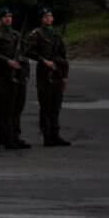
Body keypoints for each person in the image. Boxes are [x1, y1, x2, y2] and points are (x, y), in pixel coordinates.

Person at [24, 8, 70, 147]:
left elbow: (63, 56)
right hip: (44, 73)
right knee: (46, 106)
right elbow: (29, 51)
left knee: (56, 106)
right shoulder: (36, 34)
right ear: (42, 19)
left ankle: (55, 134)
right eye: (46, 16)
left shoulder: (56, 34)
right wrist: (43, 60)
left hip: (57, 72)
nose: (49, 18)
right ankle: (47, 136)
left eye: (50, 16)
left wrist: (64, 76)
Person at [0, 8, 31, 149]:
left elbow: (25, 52)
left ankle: (15, 135)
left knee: (17, 107)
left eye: (10, 16)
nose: (9, 19)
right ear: (1, 19)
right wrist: (7, 61)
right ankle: (6, 137)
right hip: (4, 76)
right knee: (6, 108)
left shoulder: (16, 34)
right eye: (6, 16)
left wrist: (23, 68)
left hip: (17, 76)